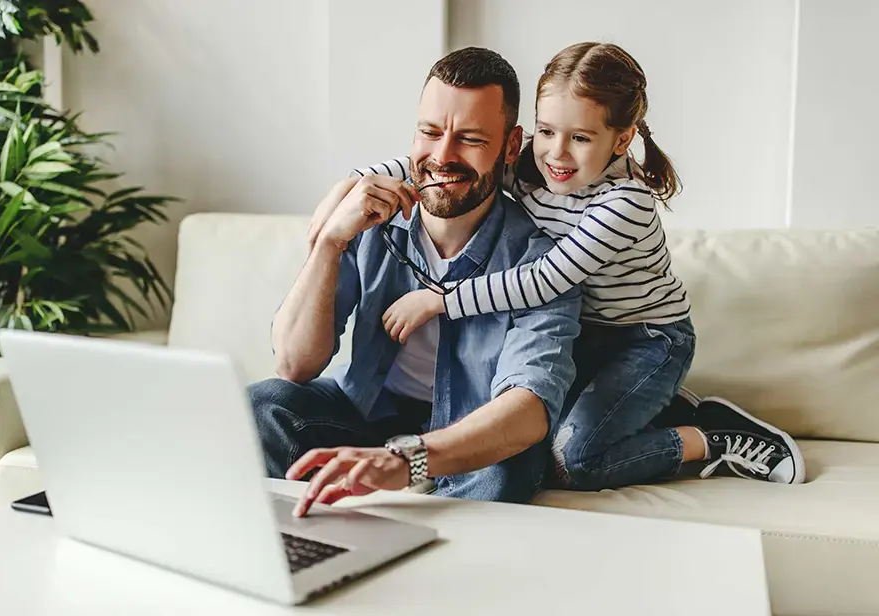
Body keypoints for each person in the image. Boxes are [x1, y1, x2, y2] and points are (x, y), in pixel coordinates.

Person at [318, 43, 806, 488]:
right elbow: (443, 166)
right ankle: (651, 408)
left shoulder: (625, 201)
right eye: (547, 131)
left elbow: (545, 279)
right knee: (520, 430)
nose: (557, 153)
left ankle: (709, 436)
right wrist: (350, 193)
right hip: (583, 332)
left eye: (581, 138)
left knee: (573, 460)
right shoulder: (530, 163)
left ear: (622, 139)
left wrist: (441, 301)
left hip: (645, 340)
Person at [251, 47, 583, 518]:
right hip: (369, 412)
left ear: (511, 147)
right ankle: (302, 547)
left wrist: (410, 458)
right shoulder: (370, 220)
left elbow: (527, 408)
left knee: (510, 464)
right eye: (430, 133)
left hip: (470, 430)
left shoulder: (546, 260)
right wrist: (329, 243)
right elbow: (295, 364)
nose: (442, 157)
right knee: (265, 404)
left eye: (469, 139)